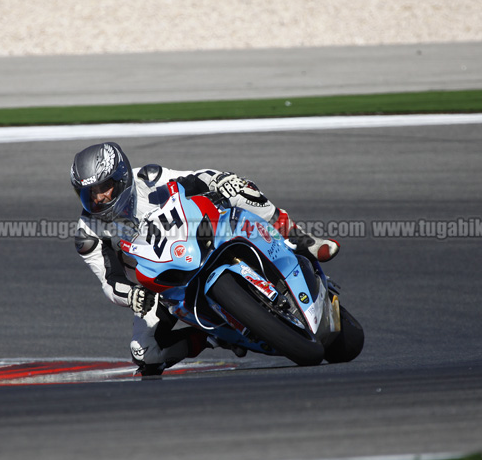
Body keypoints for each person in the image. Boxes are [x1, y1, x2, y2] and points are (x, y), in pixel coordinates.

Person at [71, 142, 339, 376]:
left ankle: (300, 238)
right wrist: (131, 296)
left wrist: (219, 181)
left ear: (121, 178)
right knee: (145, 353)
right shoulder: (88, 233)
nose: (98, 198)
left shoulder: (147, 178)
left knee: (238, 189)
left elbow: (195, 178)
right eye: (89, 193)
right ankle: (212, 335)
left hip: (197, 237)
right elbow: (108, 280)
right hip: (159, 286)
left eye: (104, 187)